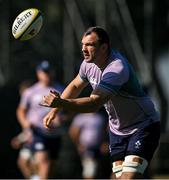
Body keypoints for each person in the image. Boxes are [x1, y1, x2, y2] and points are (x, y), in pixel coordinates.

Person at [41, 26, 160, 179]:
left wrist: (60, 103)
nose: (84, 49)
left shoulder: (117, 69)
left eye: (89, 45)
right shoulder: (88, 64)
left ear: (104, 47)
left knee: (129, 177)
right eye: (82, 44)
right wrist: (54, 111)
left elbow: (93, 104)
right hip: (117, 131)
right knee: (118, 177)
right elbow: (75, 85)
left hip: (142, 126)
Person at [16, 60, 63, 179]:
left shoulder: (61, 89)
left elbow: (70, 111)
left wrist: (62, 118)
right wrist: (26, 124)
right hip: (37, 132)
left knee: (50, 169)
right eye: (44, 72)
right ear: (38, 73)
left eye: (49, 72)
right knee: (42, 161)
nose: (46, 75)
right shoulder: (30, 91)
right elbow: (21, 110)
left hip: (54, 134)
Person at [69, 112, 107, 179]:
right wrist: (78, 145)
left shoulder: (100, 117)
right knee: (90, 169)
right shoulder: (81, 117)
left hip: (97, 147)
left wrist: (104, 143)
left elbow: (104, 131)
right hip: (86, 147)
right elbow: (73, 132)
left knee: (97, 169)